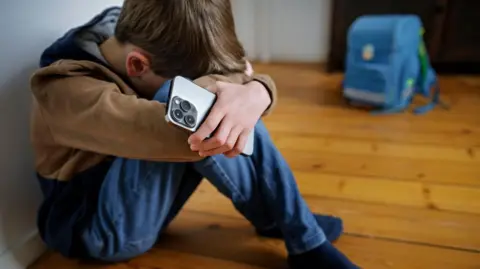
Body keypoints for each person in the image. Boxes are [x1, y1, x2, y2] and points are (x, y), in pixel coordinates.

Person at [29, 1, 359, 268]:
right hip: (98, 233)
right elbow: (177, 130)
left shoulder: (138, 31)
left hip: (141, 199)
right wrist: (253, 92)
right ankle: (302, 236)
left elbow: (229, 69)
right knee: (200, 107)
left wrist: (257, 91)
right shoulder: (64, 89)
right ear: (137, 66)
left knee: (219, 106)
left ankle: (280, 220)